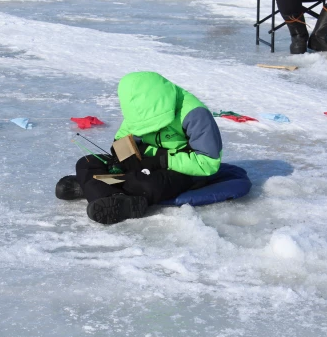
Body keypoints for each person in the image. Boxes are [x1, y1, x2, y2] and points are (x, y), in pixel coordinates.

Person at [56, 71, 223, 225]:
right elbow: (124, 136)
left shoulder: (195, 114)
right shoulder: (139, 107)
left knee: (145, 182)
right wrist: (120, 156)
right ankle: (107, 192)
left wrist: (162, 160)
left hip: (183, 169)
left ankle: (97, 190)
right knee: (86, 162)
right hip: (145, 160)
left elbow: (208, 162)